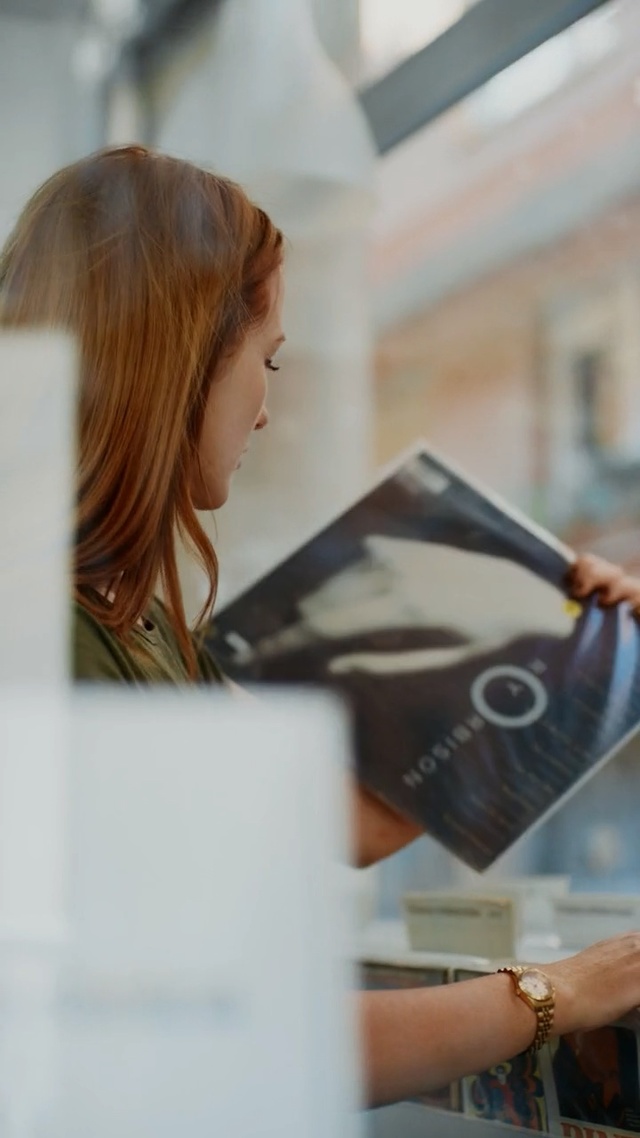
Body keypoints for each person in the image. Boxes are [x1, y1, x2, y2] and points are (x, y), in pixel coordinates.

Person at [3, 144, 640, 1109]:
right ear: (181, 358)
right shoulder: (48, 644)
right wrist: (567, 990)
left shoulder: (134, 628)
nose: (267, 408)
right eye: (266, 360)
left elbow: (347, 820)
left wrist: (568, 645)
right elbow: (228, 1036)